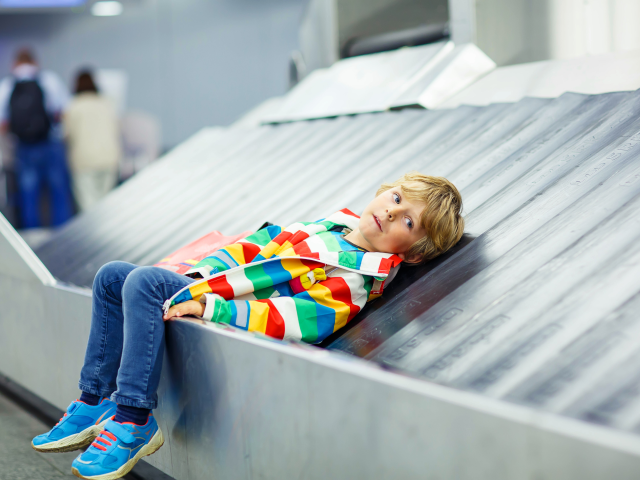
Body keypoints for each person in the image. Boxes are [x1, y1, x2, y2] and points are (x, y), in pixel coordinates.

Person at [31, 172, 465, 480]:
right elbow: (249, 248)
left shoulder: (354, 279)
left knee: (143, 282)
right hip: (210, 286)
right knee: (111, 276)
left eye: (408, 222)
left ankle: (132, 418)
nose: (391, 214)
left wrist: (210, 307)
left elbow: (294, 321)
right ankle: (93, 400)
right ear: (384, 192)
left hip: (228, 309)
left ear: (412, 255)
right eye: (396, 200)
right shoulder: (329, 226)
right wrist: (199, 277)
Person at [0, 48, 72, 228]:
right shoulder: (49, 80)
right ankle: (64, 232)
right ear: (35, 61)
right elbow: (63, 112)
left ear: (15, 63)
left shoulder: (7, 85)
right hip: (50, 142)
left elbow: (3, 123)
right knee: (58, 191)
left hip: (24, 146)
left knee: (28, 193)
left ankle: (32, 238)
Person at [64, 70, 121, 212]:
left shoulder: (73, 106)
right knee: (106, 204)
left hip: (84, 161)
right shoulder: (107, 103)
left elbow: (67, 134)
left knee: (88, 207)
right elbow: (116, 128)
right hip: (109, 158)